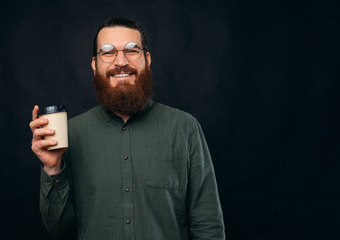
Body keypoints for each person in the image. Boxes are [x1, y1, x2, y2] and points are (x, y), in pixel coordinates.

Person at [29, 17, 225, 240]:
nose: (120, 61)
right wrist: (53, 169)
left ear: (147, 59)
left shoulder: (185, 128)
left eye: (132, 50)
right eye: (107, 52)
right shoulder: (71, 133)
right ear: (95, 64)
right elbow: (59, 229)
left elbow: (208, 225)